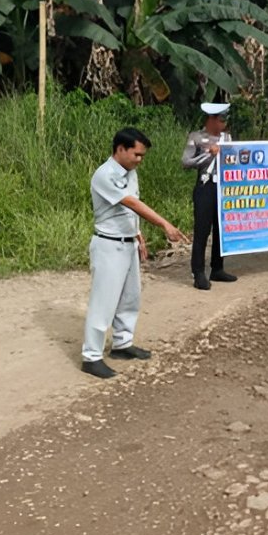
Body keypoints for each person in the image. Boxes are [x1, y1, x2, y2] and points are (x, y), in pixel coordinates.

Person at [82, 127, 187, 379]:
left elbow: (129, 208)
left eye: (142, 156)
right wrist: (164, 224)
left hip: (127, 243)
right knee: (103, 302)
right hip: (109, 245)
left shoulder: (131, 173)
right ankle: (91, 356)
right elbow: (131, 203)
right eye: (136, 154)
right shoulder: (104, 174)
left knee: (130, 297)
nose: (140, 160)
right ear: (120, 149)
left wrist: (137, 234)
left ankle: (122, 343)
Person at [182, 102, 238, 290]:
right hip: (205, 186)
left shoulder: (227, 138)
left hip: (224, 187)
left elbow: (233, 161)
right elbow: (186, 162)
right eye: (221, 119)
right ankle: (198, 272)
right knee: (202, 230)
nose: (224, 123)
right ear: (212, 119)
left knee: (221, 229)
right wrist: (208, 154)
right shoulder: (196, 137)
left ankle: (217, 268)